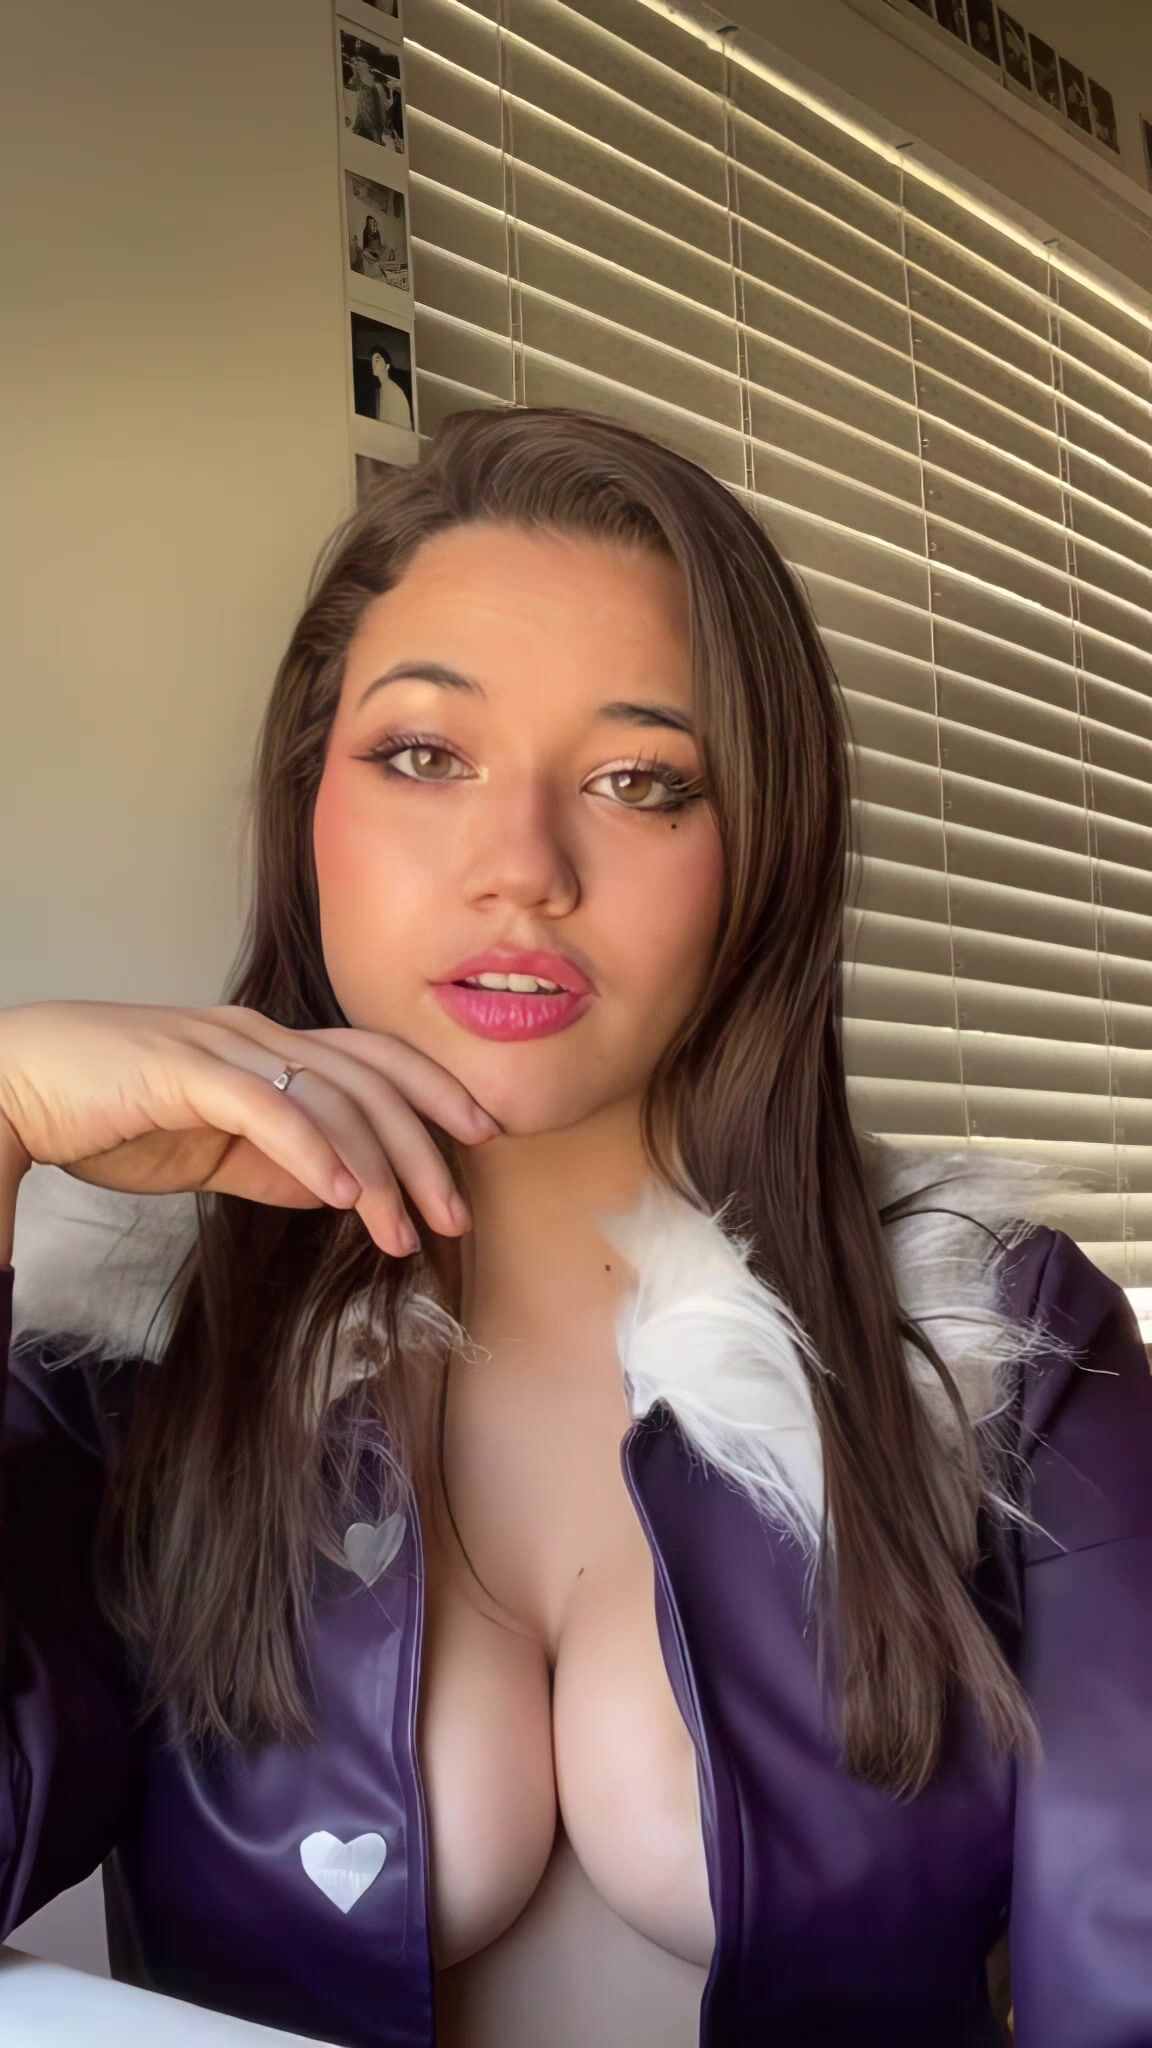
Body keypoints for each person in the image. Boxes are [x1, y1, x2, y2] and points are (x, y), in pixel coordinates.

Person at [1, 403, 1150, 2048]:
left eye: (640, 781)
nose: (522, 867)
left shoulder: (1003, 1348)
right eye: (425, 757)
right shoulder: (134, 1357)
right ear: (308, 807)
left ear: (762, 850)